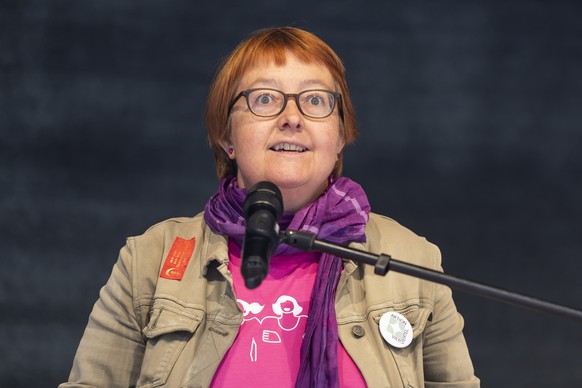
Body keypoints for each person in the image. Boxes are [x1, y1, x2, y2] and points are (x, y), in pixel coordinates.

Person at [61, 27, 479, 387]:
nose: (292, 117)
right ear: (226, 135)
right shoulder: (149, 259)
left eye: (315, 101)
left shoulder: (412, 259)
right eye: (265, 99)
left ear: (339, 138)